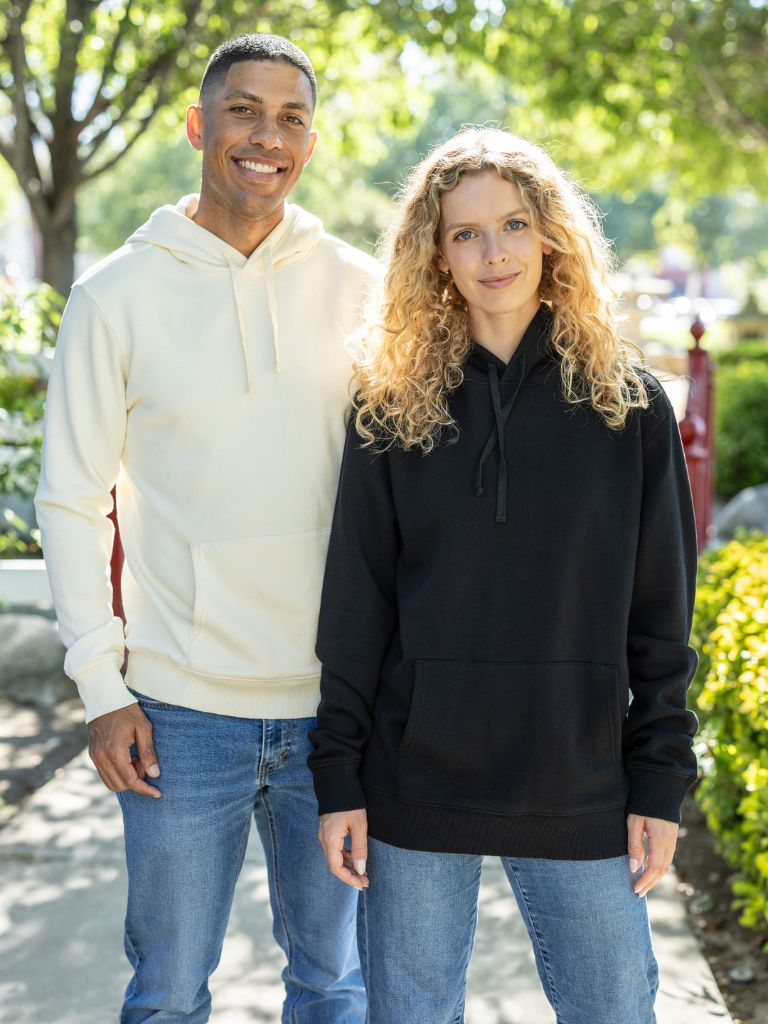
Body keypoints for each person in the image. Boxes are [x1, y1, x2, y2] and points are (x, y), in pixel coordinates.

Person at [308, 127, 698, 1024]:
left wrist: (661, 781)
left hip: (580, 780)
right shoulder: (390, 406)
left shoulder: (629, 405)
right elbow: (356, 604)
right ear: (434, 255)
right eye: (465, 233)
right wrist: (339, 777)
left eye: (515, 224)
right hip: (415, 782)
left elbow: (659, 616)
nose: (494, 253)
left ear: (552, 234)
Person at [35, 33, 378, 1024]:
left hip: (336, 716)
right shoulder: (115, 297)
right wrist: (102, 685)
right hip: (178, 717)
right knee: (170, 992)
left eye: (291, 117)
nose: (266, 135)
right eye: (242, 110)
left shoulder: (360, 288)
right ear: (197, 125)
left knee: (336, 984)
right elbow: (70, 496)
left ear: (311, 143)